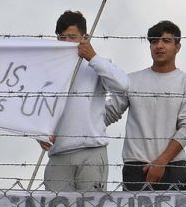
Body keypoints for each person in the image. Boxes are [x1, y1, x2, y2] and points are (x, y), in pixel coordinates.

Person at [105, 20, 186, 191]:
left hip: (173, 166)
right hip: (135, 166)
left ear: (177, 47)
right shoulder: (132, 80)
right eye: (154, 41)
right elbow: (108, 113)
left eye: (166, 41)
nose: (159, 46)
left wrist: (162, 161)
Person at [40, 10, 128, 192]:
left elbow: (122, 85)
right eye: (62, 38)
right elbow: (37, 108)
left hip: (91, 152)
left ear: (84, 37)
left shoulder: (96, 65)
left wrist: (93, 57)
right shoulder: (49, 70)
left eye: (72, 37)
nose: (67, 42)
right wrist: (39, 134)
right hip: (58, 154)